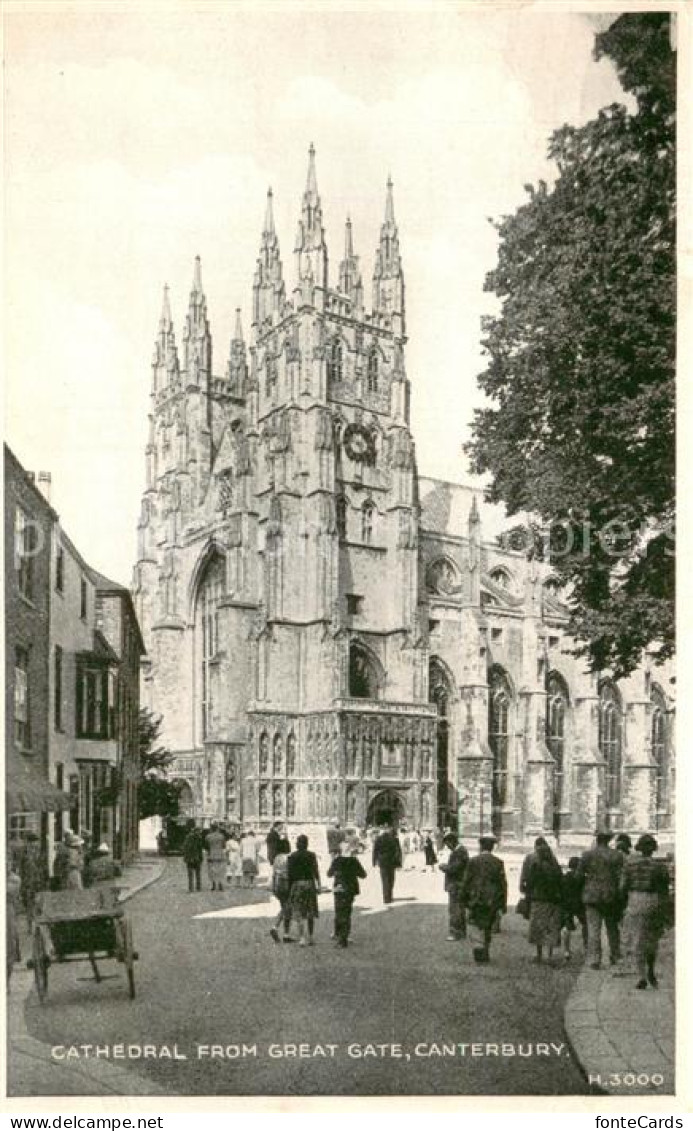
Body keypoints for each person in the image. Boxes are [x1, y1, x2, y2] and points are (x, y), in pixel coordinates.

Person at [620, 833, 671, 989]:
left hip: (635, 900)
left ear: (639, 848)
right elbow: (665, 891)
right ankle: (651, 970)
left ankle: (641, 975)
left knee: (637, 939)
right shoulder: (660, 867)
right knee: (652, 939)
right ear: (653, 849)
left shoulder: (630, 865)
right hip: (654, 901)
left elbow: (622, 887)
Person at [576, 831, 624, 969]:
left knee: (593, 929)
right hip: (610, 895)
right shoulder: (616, 855)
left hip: (591, 894)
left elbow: (578, 876)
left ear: (597, 839)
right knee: (612, 928)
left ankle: (594, 959)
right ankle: (615, 955)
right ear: (609, 840)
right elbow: (621, 876)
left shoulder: (587, 855)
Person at [460, 835, 508, 963]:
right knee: (488, 925)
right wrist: (503, 904)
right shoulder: (498, 862)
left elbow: (466, 881)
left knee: (476, 924)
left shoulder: (473, 861)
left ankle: (479, 949)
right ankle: (485, 950)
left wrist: (463, 898)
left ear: (481, 846)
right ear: (492, 848)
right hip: (492, 900)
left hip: (476, 899)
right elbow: (503, 884)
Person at [521, 839, 563, 963]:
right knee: (550, 926)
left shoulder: (530, 858)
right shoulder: (553, 859)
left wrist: (524, 891)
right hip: (553, 898)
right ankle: (548, 955)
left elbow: (525, 877)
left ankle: (538, 954)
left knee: (537, 926)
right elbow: (559, 877)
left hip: (537, 897)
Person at [328, 842, 367, 948]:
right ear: (349, 849)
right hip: (350, 889)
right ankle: (343, 938)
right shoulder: (354, 861)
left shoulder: (337, 860)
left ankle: (339, 935)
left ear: (340, 850)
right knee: (346, 913)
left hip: (339, 889)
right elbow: (363, 875)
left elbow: (329, 874)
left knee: (339, 912)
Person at [287, 834, 321, 946]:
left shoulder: (292, 856)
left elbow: (290, 874)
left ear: (297, 844)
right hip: (310, 884)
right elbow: (315, 870)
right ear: (307, 844)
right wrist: (319, 884)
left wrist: (290, 888)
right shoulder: (312, 855)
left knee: (299, 912)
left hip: (297, 884)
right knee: (310, 911)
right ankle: (311, 937)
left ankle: (302, 937)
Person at [439, 832, 469, 941]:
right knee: (459, 909)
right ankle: (461, 932)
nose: (447, 847)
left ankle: (455, 933)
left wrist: (443, 867)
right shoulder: (460, 851)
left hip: (456, 885)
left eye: (447, 844)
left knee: (455, 909)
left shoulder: (459, 852)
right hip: (458, 884)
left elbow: (455, 868)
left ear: (451, 842)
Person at [561, 856, 587, 961]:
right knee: (586, 926)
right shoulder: (582, 878)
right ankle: (586, 947)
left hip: (567, 904)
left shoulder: (565, 877)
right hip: (580, 904)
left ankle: (567, 950)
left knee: (567, 928)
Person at [19, 832, 47, 929]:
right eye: (32, 842)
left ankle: (36, 924)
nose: (34, 844)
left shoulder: (39, 853)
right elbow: (21, 869)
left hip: (38, 881)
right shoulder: (24, 853)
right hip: (28, 882)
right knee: (29, 904)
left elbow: (43, 868)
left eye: (35, 842)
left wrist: (43, 880)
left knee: (38, 903)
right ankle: (30, 925)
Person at [269, 837, 293, 943]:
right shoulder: (288, 857)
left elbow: (274, 873)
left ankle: (286, 934)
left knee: (285, 908)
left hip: (277, 885)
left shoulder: (276, 858)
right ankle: (276, 927)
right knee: (287, 907)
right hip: (285, 883)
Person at [372, 824, 402, 904]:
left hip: (382, 861)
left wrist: (374, 861)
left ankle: (386, 897)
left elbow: (375, 850)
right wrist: (399, 863)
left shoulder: (378, 838)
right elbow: (398, 851)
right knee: (391, 879)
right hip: (392, 861)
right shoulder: (395, 839)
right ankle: (390, 895)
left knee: (384, 879)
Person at [182, 821, 204, 893]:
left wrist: (186, 857)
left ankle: (191, 888)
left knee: (191, 874)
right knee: (197, 873)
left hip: (190, 858)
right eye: (199, 831)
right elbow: (200, 849)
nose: (199, 832)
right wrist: (201, 858)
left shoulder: (188, 837)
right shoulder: (198, 838)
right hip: (196, 857)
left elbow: (185, 848)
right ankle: (198, 887)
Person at [206, 821, 228, 891]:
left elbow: (206, 846)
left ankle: (213, 884)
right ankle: (220, 883)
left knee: (211, 870)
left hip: (211, 854)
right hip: (220, 854)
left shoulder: (208, 836)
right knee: (220, 870)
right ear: (217, 828)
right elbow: (224, 846)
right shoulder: (221, 836)